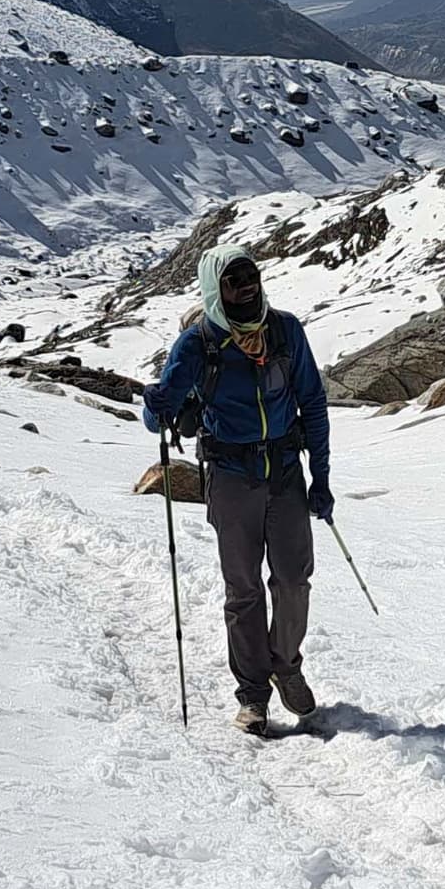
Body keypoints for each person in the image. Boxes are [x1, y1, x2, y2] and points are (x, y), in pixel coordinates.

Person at [140, 247, 333, 731]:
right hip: (229, 475)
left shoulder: (285, 331)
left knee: (293, 581)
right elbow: (159, 415)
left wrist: (322, 477)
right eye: (234, 280)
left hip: (285, 469)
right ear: (214, 289)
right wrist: (157, 407)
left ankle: (286, 667)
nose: (247, 285)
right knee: (243, 588)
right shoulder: (198, 343)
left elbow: (312, 401)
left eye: (251, 275)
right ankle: (253, 694)